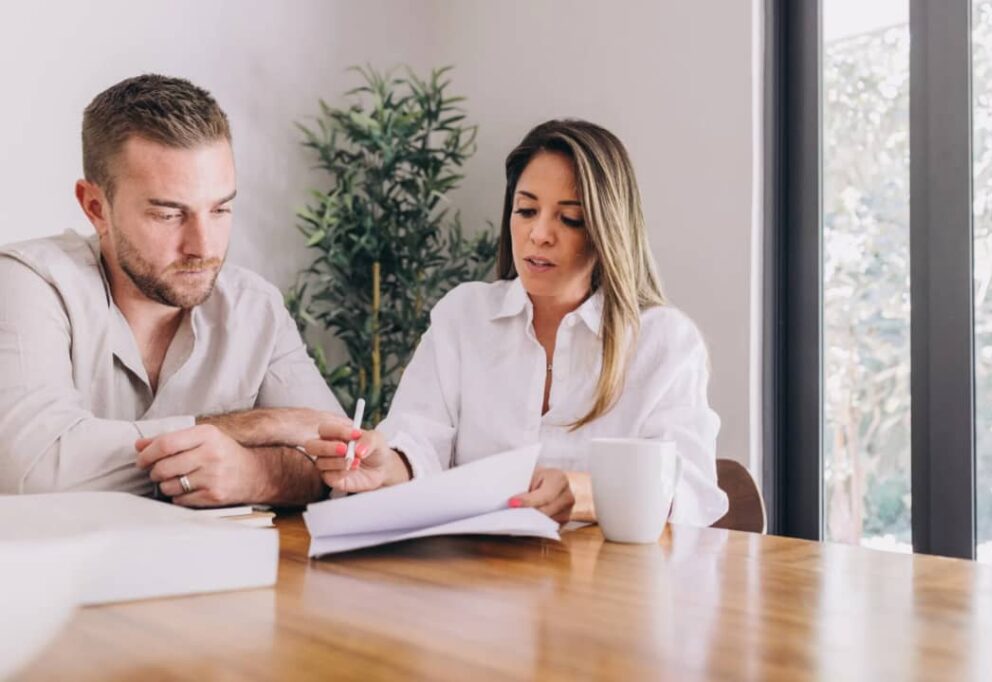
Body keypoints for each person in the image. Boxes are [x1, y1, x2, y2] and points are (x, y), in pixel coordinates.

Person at [302, 119, 728, 526]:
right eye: (526, 210)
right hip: (477, 569)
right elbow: (418, 443)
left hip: (608, 574)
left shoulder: (664, 341)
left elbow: (692, 491)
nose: (539, 234)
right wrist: (385, 465)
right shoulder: (464, 316)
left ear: (607, 230)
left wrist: (590, 495)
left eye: (569, 218)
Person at [0, 74, 346, 506]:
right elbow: (33, 468)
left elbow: (340, 458)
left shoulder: (254, 306)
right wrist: (257, 426)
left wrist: (258, 474)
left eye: (220, 209)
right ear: (96, 207)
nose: (203, 247)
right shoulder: (29, 282)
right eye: (168, 215)